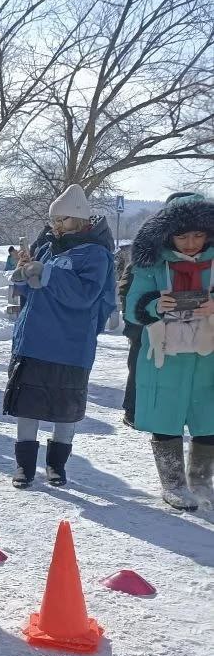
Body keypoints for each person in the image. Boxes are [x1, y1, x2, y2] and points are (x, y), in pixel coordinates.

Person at [5, 185, 115, 489]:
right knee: (27, 405)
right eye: (54, 220)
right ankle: (24, 467)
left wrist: (48, 274)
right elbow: (34, 290)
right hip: (34, 340)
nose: (56, 225)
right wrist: (24, 274)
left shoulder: (96, 254)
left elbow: (84, 295)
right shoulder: (48, 245)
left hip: (71, 345)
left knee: (65, 409)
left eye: (62, 219)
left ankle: (57, 466)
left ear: (78, 219)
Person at [125, 195, 214, 510]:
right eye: (182, 235)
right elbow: (131, 309)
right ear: (168, 235)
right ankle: (174, 484)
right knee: (167, 418)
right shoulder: (153, 264)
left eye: (198, 235)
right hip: (166, 357)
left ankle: (203, 482)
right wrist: (152, 305)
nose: (191, 242)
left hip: (208, 358)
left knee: (209, 419)